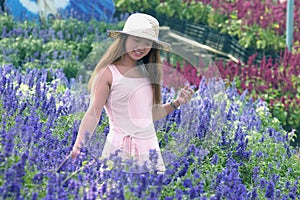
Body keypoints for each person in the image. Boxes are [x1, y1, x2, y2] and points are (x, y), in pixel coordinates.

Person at [71, 13, 194, 172]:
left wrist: (176, 103)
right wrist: (79, 146)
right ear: (124, 39)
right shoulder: (108, 72)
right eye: (136, 39)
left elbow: (149, 115)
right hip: (119, 149)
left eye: (147, 42)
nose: (141, 46)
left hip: (149, 149)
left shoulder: (147, 73)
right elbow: (93, 113)